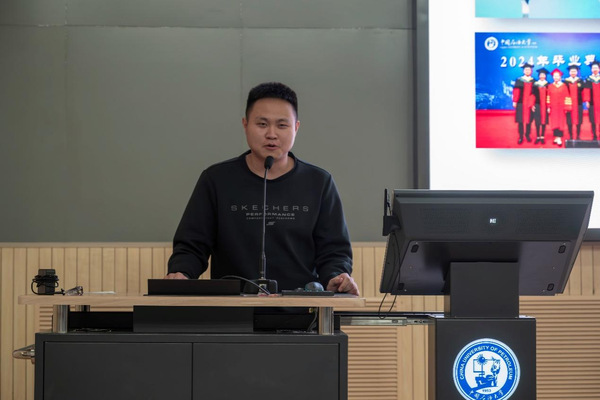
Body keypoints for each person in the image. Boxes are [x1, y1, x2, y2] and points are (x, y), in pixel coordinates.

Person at [165, 82, 359, 295]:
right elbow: (192, 245)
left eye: (282, 125)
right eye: (262, 124)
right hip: (233, 307)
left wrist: (336, 275)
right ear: (245, 124)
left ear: (296, 128)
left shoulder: (319, 182)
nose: (271, 134)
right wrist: (181, 272)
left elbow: (334, 250)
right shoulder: (216, 179)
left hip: (302, 307)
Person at [513, 63, 536, 144]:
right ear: (523, 71)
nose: (527, 71)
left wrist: (533, 103)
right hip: (520, 103)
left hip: (529, 104)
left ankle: (527, 135)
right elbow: (516, 91)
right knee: (520, 120)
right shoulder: (519, 80)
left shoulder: (534, 81)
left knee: (529, 120)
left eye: (529, 70)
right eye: (526, 69)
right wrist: (515, 101)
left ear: (531, 71)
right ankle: (521, 136)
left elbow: (535, 94)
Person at [546, 68, 570, 147]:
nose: (556, 77)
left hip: (561, 107)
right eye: (554, 76)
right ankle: (556, 137)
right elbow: (548, 97)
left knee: (560, 122)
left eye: (557, 76)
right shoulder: (550, 86)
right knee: (554, 122)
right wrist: (548, 106)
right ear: (553, 77)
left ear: (560, 77)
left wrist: (566, 107)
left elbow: (567, 97)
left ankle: (559, 137)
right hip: (553, 107)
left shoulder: (564, 86)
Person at [564, 64, 585, 140]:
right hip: (569, 104)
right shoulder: (566, 82)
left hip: (578, 104)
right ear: (569, 72)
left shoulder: (580, 81)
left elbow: (583, 92)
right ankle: (571, 135)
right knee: (569, 120)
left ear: (577, 72)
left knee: (579, 120)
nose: (573, 72)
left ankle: (578, 135)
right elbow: (564, 93)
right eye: (571, 71)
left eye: (574, 71)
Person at [583, 60, 600, 140]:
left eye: (596, 68)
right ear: (591, 69)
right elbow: (586, 91)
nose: (595, 69)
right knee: (592, 119)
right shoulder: (589, 79)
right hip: (592, 102)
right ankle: (594, 134)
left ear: (599, 69)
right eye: (593, 68)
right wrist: (587, 101)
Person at [532, 67, 549, 144]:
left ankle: (542, 136)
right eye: (541, 75)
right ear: (539, 76)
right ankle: (538, 136)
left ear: (545, 76)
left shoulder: (548, 84)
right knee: (537, 121)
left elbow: (549, 96)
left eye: (543, 75)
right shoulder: (535, 84)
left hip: (545, 106)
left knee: (544, 121)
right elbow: (532, 95)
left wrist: (548, 106)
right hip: (537, 105)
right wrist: (532, 105)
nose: (542, 76)